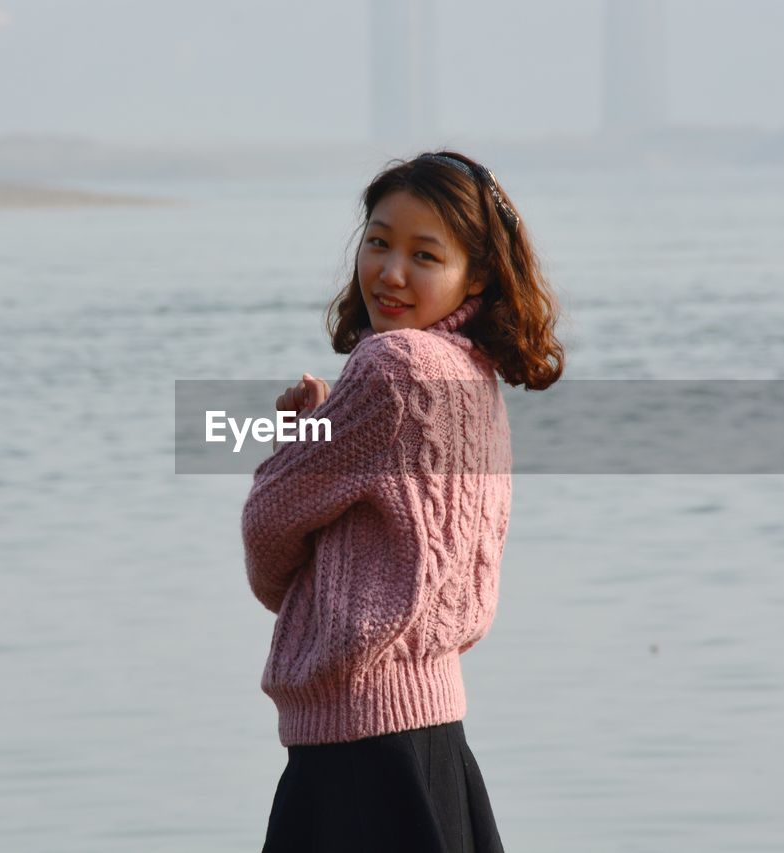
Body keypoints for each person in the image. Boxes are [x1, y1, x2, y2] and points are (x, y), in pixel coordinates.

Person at [242, 150, 564, 852]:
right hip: (437, 740)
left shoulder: (393, 366)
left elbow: (267, 541)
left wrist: (291, 447)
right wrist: (317, 442)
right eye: (379, 241)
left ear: (475, 272)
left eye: (424, 254)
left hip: (358, 751)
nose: (390, 272)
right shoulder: (475, 376)